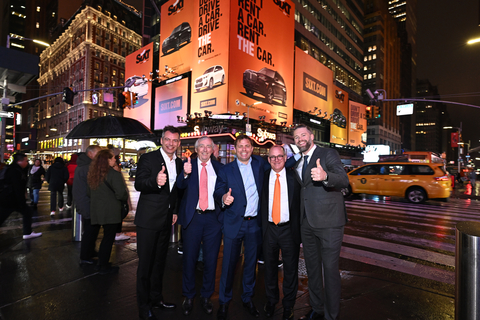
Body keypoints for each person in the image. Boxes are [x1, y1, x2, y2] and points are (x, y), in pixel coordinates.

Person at [292, 125, 349, 320]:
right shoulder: (298, 161)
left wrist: (326, 177)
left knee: (330, 270)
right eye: (296, 136)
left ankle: (331, 315)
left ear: (311, 136)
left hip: (330, 222)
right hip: (307, 222)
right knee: (312, 268)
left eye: (303, 135)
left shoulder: (328, 154)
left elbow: (343, 179)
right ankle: (316, 307)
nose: (300, 138)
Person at [214, 134, 266, 320]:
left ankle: (247, 298)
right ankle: (224, 301)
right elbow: (218, 190)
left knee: (251, 265)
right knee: (228, 265)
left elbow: (281, 164)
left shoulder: (260, 164)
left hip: (254, 224)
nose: (244, 149)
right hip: (233, 223)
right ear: (235, 149)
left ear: (252, 148)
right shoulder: (226, 170)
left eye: (247, 146)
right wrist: (223, 198)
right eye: (240, 146)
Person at [134, 126, 183, 320]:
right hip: (148, 220)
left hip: (166, 219)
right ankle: (143, 305)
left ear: (179, 143)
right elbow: (139, 183)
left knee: (159, 263)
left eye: (175, 141)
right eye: (168, 140)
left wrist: (175, 210)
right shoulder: (148, 158)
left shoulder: (179, 163)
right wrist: (155, 181)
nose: (171, 143)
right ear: (161, 140)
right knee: (145, 265)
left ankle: (156, 299)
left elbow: (177, 191)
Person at [176, 136, 223, 316]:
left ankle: (206, 296)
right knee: (189, 259)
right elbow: (179, 186)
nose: (204, 149)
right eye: (201, 146)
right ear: (196, 149)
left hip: (213, 220)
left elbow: (224, 191)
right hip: (193, 218)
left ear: (213, 149)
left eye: (208, 146)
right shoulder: (188, 165)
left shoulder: (220, 168)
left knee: (211, 260)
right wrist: (185, 174)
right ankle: (188, 296)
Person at [260, 145, 301, 320]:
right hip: (269, 229)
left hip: (288, 229)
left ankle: (288, 305)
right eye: (272, 157)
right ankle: (271, 301)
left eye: (279, 157)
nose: (276, 160)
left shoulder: (295, 177)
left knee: (290, 270)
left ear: (285, 158)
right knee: (269, 268)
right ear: (268, 160)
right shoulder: (262, 177)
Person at [87, 149, 128, 275]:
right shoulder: (113, 174)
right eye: (113, 158)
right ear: (107, 160)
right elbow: (121, 194)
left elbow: (89, 193)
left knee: (104, 237)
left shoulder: (93, 174)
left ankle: (101, 262)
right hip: (111, 210)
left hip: (97, 210)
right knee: (108, 238)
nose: (115, 160)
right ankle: (103, 265)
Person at [0, 153, 42, 240]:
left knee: (26, 212)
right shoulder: (15, 171)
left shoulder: (12, 169)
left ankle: (27, 232)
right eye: (25, 161)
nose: (27, 163)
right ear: (19, 161)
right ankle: (27, 232)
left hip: (8, 198)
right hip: (11, 198)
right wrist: (22, 200)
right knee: (4, 215)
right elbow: (17, 187)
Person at [73, 145, 102, 265]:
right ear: (90, 154)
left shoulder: (84, 166)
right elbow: (94, 186)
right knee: (90, 230)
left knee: (92, 230)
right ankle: (85, 256)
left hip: (85, 201)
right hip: (88, 203)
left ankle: (90, 251)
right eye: (98, 153)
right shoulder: (88, 167)